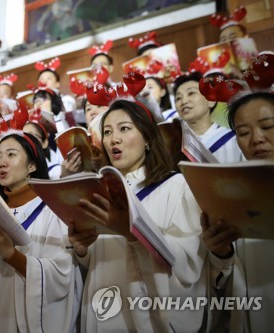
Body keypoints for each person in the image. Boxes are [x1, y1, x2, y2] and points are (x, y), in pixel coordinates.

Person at [68, 99, 206, 331]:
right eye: (108, 132)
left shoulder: (175, 185)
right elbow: (99, 260)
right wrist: (82, 249)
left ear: (148, 139)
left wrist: (134, 234)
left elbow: (188, 262)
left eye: (124, 129)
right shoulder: (101, 193)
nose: (114, 139)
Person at [0, 133, 79, 332]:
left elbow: (62, 275)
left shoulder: (52, 209)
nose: (1, 162)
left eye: (11, 154)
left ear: (32, 166)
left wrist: (10, 254)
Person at [201, 91, 274, 332]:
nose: (257, 139)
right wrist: (220, 254)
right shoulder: (232, 195)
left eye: (268, 126)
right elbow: (228, 286)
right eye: (243, 133)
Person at [174, 72, 244, 163]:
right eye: (178, 98)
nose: (184, 101)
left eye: (191, 93)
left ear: (211, 101)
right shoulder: (175, 143)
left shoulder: (234, 139)